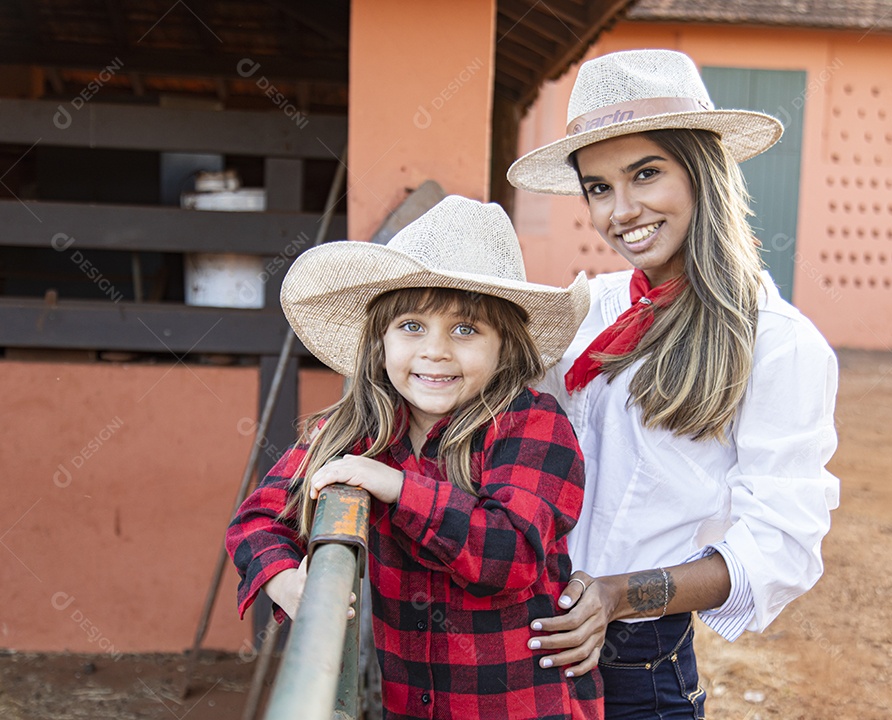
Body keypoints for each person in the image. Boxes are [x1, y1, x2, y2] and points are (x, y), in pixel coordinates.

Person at [507, 49, 840, 718]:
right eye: (598, 187)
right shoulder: (584, 309)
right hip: (522, 643)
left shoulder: (775, 344)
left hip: (637, 669)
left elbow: (780, 547)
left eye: (646, 174)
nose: (620, 210)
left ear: (700, 172)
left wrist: (617, 595)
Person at [225, 196, 604, 719]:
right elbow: (256, 517)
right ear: (379, 341)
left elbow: (510, 554)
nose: (435, 351)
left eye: (466, 330)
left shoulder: (532, 424)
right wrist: (288, 582)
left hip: (527, 707)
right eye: (411, 326)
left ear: (505, 349)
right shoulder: (353, 430)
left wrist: (397, 487)